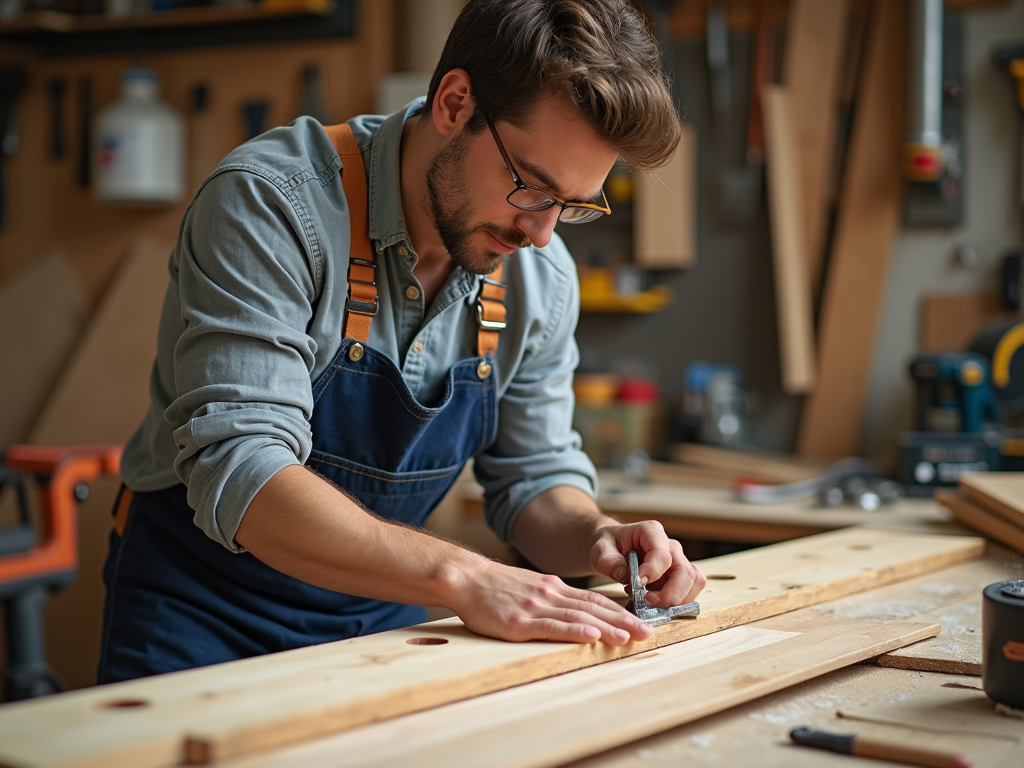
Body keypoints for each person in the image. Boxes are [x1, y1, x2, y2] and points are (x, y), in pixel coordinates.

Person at [98, 0, 706, 683]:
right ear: (454, 102)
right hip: (202, 610)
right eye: (531, 188)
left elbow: (535, 477)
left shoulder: (541, 274)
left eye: (573, 205)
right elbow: (247, 474)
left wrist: (594, 534)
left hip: (377, 610)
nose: (542, 235)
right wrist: (463, 576)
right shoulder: (270, 204)